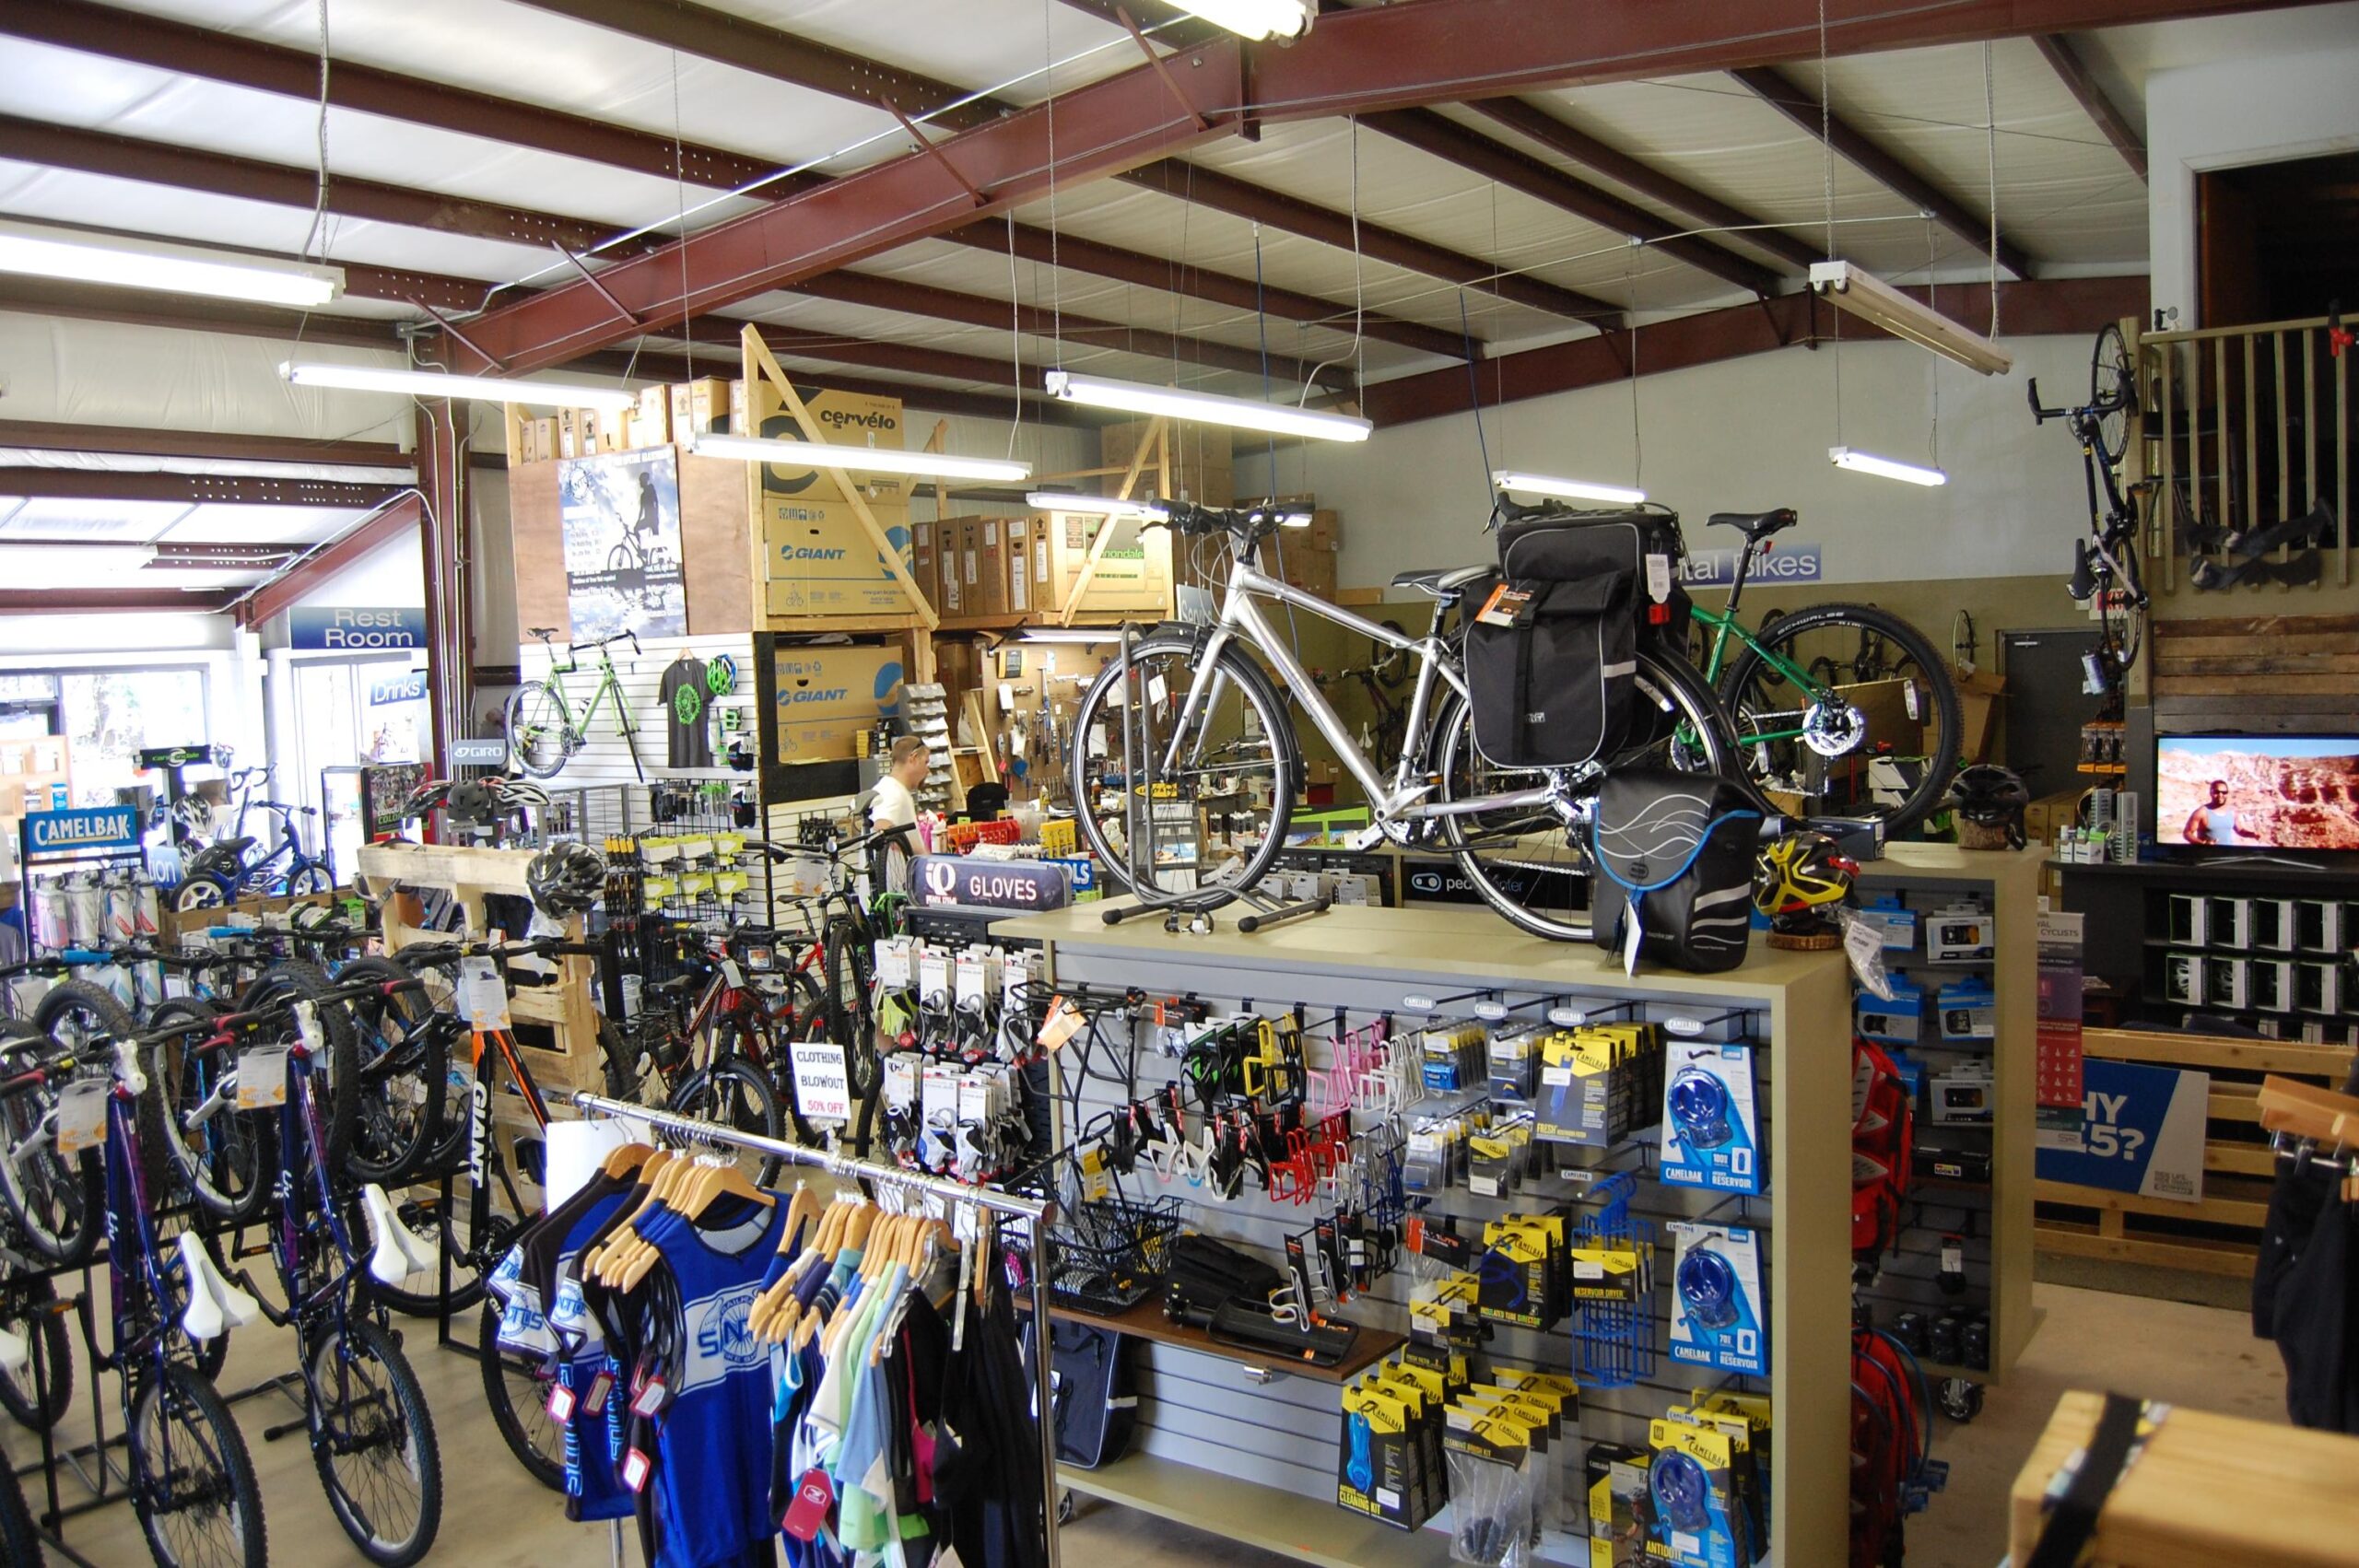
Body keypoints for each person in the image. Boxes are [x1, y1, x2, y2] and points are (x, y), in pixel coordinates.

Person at [868, 735, 929, 834]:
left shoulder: (893, 787)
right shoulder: (892, 791)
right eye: (925, 762)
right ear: (913, 758)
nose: (927, 770)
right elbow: (881, 826)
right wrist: (906, 847)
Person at [2184, 778, 2251, 846]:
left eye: (2224, 792)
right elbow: (2187, 833)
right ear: (2211, 793)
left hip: (2228, 854)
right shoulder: (2202, 812)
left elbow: (2240, 831)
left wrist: (2253, 835)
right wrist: (2203, 844)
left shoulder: (2232, 813)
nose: (2220, 795)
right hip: (2208, 855)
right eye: (2216, 792)